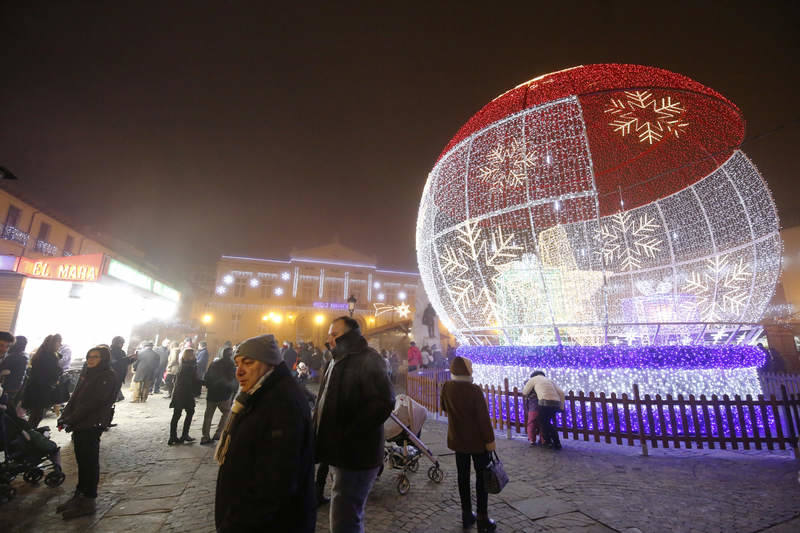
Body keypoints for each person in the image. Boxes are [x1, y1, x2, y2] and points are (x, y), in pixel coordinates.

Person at [214, 334, 316, 533]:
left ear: (269, 364)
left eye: (248, 363)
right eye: (237, 364)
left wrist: (234, 525)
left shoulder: (282, 403)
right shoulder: (257, 394)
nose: (239, 372)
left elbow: (275, 483)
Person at [314, 316, 394, 533]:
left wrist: (349, 433)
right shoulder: (335, 360)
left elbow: (384, 402)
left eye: (335, 334)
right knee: (344, 515)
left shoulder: (369, 359)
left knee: (345, 519)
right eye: (330, 334)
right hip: (338, 453)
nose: (329, 338)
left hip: (357, 455)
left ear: (350, 335)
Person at [56, 345, 117, 519]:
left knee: (89, 463)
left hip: (91, 425)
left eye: (95, 357)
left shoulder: (106, 376)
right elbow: (75, 397)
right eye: (89, 356)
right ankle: (79, 495)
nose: (91, 359)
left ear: (103, 359)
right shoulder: (88, 373)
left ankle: (89, 499)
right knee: (82, 462)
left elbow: (93, 403)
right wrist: (65, 416)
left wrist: (71, 419)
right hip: (80, 424)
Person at [439, 355, 497, 532]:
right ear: (466, 370)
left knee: (462, 477)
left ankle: (466, 515)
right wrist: (490, 441)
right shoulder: (474, 390)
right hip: (478, 442)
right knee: (482, 478)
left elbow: (443, 407)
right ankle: (482, 518)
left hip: (458, 440)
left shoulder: (446, 387)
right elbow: (483, 419)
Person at [23, 335, 63, 429]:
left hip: (35, 388)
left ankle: (28, 433)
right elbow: (54, 372)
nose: (60, 345)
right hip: (41, 390)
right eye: (59, 343)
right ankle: (28, 435)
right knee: (36, 415)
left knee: (35, 414)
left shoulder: (41, 353)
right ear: (53, 343)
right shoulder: (49, 357)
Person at [201, 346, 237, 445]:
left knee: (208, 416)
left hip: (212, 394)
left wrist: (209, 386)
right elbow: (233, 380)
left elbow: (207, 376)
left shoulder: (214, 363)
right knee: (226, 413)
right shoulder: (232, 365)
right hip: (224, 395)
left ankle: (205, 436)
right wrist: (232, 392)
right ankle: (218, 433)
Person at [522, 371, 565, 450]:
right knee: (547, 423)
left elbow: (525, 392)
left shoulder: (533, 379)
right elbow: (562, 393)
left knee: (542, 422)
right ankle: (557, 442)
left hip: (544, 402)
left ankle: (548, 442)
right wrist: (562, 407)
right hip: (556, 403)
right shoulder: (549, 380)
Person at [169, 349, 201, 445]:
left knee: (177, 415)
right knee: (190, 412)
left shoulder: (182, 364)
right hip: (185, 393)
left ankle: (173, 436)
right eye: (193, 354)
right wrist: (207, 383)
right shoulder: (190, 367)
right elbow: (194, 380)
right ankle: (184, 435)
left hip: (179, 392)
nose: (195, 356)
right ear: (190, 356)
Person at [0, 333, 26, 416]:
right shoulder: (11, 357)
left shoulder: (6, 357)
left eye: (7, 346)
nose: (4, 349)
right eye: (1, 345)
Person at [522, 373, 543, 446]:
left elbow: (525, 392)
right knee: (541, 424)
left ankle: (532, 440)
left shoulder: (529, 386)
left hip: (532, 409)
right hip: (542, 407)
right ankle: (543, 440)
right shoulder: (541, 386)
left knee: (531, 424)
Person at [110, 336, 132, 401]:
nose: (122, 345)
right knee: (112, 392)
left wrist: (133, 359)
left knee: (116, 390)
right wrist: (127, 358)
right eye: (122, 343)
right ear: (117, 343)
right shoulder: (110, 351)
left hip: (120, 376)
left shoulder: (122, 352)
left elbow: (125, 362)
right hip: (113, 375)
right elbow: (114, 363)